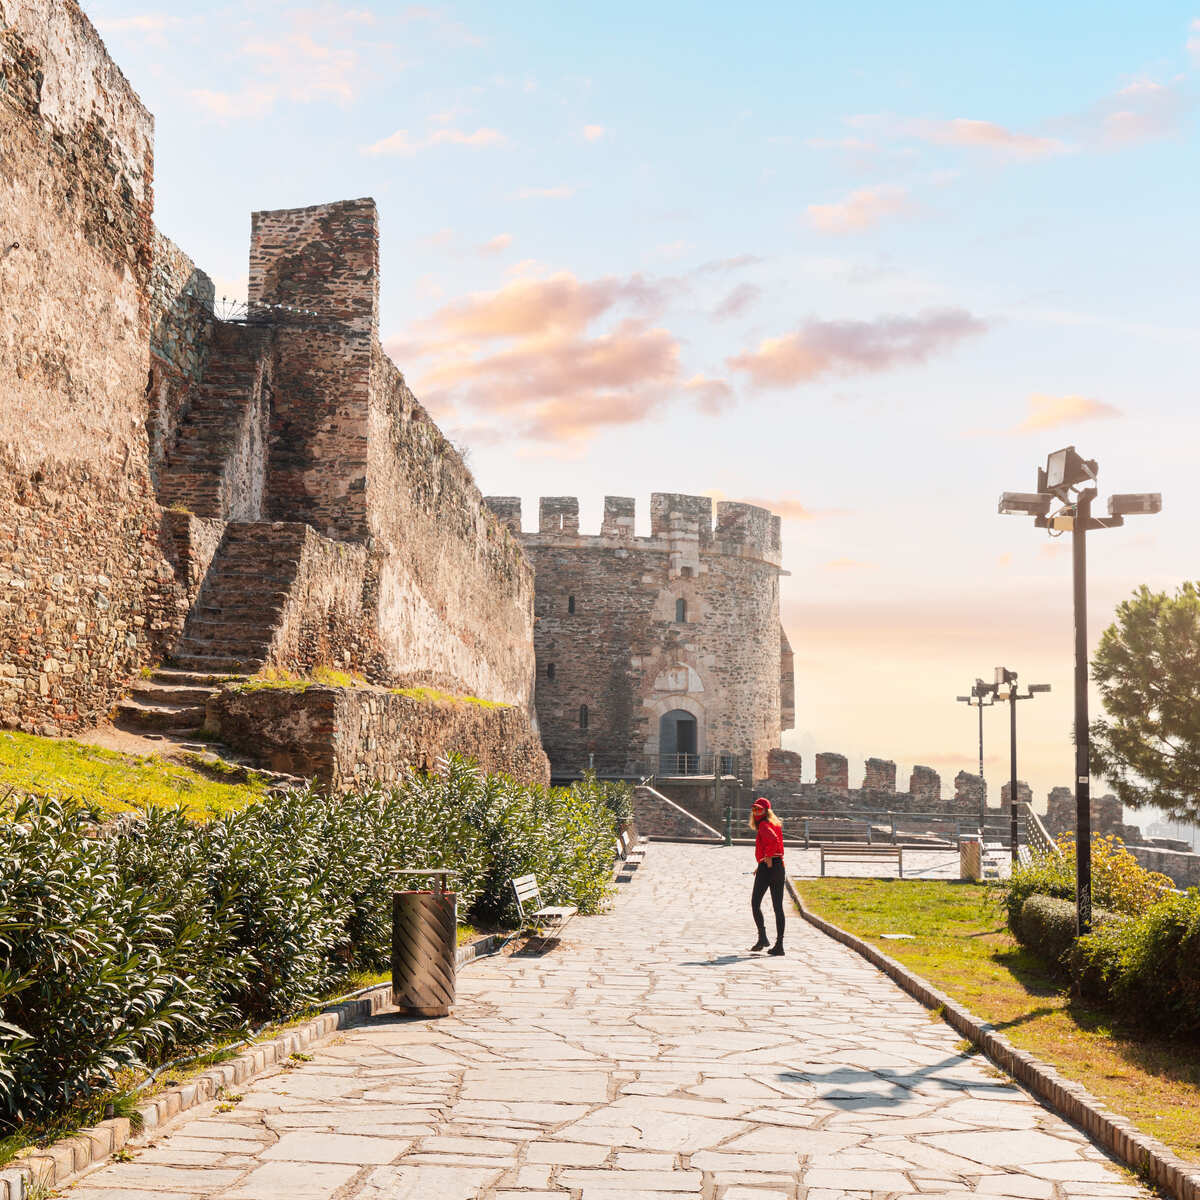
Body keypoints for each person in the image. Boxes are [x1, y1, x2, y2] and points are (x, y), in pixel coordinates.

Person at [749, 797, 785, 956]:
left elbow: (773, 841)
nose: (756, 812)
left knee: (755, 903)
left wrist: (767, 858)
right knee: (778, 908)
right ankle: (779, 945)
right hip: (779, 867)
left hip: (769, 867)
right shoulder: (774, 824)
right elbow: (776, 843)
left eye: (759, 809)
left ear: (766, 811)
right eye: (754, 809)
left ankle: (763, 937)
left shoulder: (763, 825)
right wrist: (761, 863)